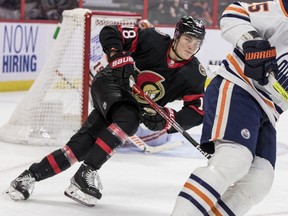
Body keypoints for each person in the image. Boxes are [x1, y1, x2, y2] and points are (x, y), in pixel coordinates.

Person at [4, 16, 207, 207]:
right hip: (110, 84)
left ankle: (28, 177)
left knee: (80, 147)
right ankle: (85, 174)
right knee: (130, 120)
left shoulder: (194, 75)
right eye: (188, 39)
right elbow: (111, 32)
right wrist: (117, 55)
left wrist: (169, 119)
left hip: (130, 104)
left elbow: (196, 112)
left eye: (197, 43)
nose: (191, 46)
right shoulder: (152, 39)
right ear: (177, 36)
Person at [172, 0, 288, 215]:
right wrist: (252, 42)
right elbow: (236, 11)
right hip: (239, 86)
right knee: (234, 160)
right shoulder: (284, 11)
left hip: (270, 111)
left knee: (258, 182)